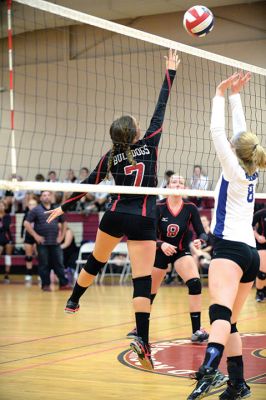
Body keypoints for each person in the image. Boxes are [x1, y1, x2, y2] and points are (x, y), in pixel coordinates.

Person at [45, 49, 180, 371]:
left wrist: (63, 206)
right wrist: (170, 72)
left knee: (96, 260)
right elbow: (161, 109)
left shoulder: (109, 156)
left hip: (115, 215)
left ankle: (74, 299)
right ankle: (143, 341)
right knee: (142, 281)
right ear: (135, 133)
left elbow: (89, 184)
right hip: (143, 219)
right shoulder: (151, 142)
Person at [187, 72, 266, 400]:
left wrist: (220, 93)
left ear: (235, 150)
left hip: (230, 251)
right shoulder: (253, 168)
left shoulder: (233, 168)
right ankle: (237, 384)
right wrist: (235, 96)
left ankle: (208, 370)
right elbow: (239, 134)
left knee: (219, 315)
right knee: (229, 320)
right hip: (248, 254)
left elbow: (218, 131)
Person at [127, 174, 210, 343]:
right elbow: (148, 234)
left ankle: (197, 330)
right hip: (159, 251)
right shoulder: (158, 207)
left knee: (195, 283)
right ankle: (139, 328)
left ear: (185, 188)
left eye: (181, 182)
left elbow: (202, 232)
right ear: (167, 187)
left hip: (180, 251)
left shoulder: (190, 207)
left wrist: (200, 240)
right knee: (150, 291)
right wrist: (161, 244)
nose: (178, 185)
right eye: (174, 182)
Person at [24, 191, 71, 291]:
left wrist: (62, 237)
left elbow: (64, 223)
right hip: (42, 243)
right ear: (40, 198)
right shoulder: (36, 210)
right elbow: (26, 223)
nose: (46, 197)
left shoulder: (57, 209)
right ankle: (45, 285)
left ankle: (63, 284)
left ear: (51, 197)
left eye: (48, 195)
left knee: (59, 264)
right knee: (43, 264)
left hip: (55, 242)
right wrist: (35, 236)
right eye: (44, 195)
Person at [21, 198, 38, 283]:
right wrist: (21, 235)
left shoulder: (39, 214)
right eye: (30, 204)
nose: (32, 206)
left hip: (37, 236)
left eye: (34, 204)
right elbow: (22, 225)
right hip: (28, 237)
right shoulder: (26, 214)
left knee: (39, 256)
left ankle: (40, 274)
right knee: (28, 256)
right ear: (28, 206)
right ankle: (29, 273)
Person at [252, 207, 266, 302]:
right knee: (262, 272)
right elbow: (249, 227)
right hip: (262, 244)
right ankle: (259, 292)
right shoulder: (261, 213)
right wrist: (258, 236)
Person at [0, 200, 13, 283]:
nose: (0, 207)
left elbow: (5, 226)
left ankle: (7, 275)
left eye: (2, 205)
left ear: (5, 207)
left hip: (7, 238)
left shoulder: (7, 216)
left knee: (8, 257)